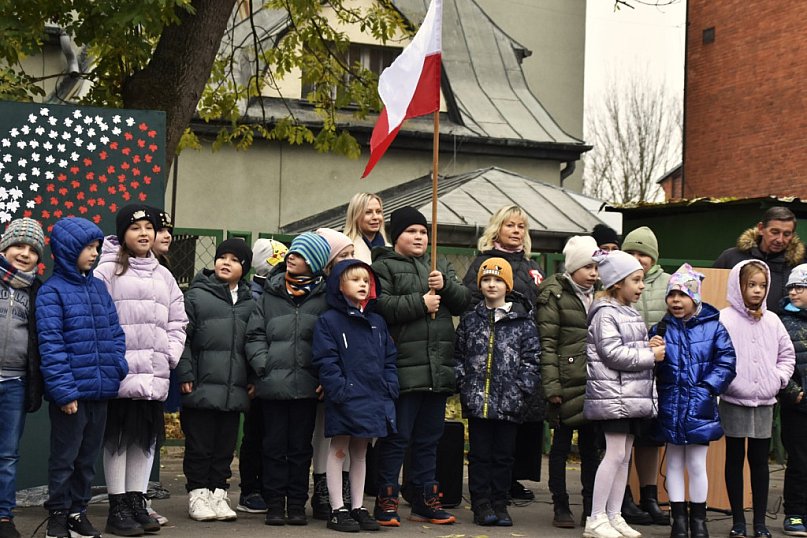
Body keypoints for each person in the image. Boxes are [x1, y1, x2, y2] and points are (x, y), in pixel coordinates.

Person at [371, 206, 470, 526]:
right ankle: (386, 499)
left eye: (423, 232)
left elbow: (463, 301)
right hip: (403, 367)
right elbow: (381, 306)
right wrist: (420, 303)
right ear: (396, 236)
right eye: (411, 231)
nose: (419, 237)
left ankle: (424, 497)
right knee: (397, 437)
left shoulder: (438, 264)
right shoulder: (383, 266)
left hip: (437, 368)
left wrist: (446, 285)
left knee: (429, 439)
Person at [94, 204, 188, 537]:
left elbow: (178, 320)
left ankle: (137, 501)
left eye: (149, 227)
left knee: (144, 440)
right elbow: (96, 317)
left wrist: (169, 355)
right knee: (118, 440)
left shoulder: (164, 275)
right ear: (123, 234)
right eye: (135, 228)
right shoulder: (106, 271)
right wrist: (110, 359)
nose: (144, 233)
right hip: (119, 375)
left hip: (152, 374)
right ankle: (117, 507)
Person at [37, 217, 128, 538]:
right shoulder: (51, 293)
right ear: (67, 250)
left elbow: (115, 333)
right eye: (88, 247)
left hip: (100, 391)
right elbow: (51, 345)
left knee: (87, 459)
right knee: (65, 458)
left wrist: (117, 367)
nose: (94, 253)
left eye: (96, 247)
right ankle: (58, 516)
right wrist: (64, 392)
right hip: (72, 396)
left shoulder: (99, 288)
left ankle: (78, 513)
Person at [245, 232, 331, 527]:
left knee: (300, 449)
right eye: (292, 252)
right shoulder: (271, 293)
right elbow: (255, 334)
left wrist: (322, 375)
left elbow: (330, 340)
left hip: (308, 387)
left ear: (315, 262)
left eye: (300, 254)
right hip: (273, 386)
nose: (291, 257)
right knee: (273, 447)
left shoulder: (324, 298)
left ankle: (296, 505)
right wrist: (264, 366)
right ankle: (274, 505)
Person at [462, 205, 545, 501]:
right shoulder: (483, 263)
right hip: (490, 352)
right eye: (510, 225)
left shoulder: (532, 266)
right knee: (489, 433)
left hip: (522, 349)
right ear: (497, 228)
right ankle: (487, 491)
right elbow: (469, 302)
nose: (516, 231)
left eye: (521, 226)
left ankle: (511, 480)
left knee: (521, 422)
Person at [650, 264, 736, 538]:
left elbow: (726, 362)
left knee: (697, 463)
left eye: (682, 295)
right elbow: (651, 367)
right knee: (674, 462)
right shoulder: (660, 328)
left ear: (695, 298)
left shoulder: (714, 328)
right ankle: (678, 520)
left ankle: (699, 520)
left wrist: (707, 388)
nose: (676, 301)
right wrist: (651, 353)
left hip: (700, 405)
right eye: (671, 295)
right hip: (671, 404)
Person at [583, 250, 664, 538]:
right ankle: (596, 518)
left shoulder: (628, 311)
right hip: (612, 396)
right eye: (636, 280)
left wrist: (647, 345)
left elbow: (627, 346)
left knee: (624, 457)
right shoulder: (605, 313)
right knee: (615, 454)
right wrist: (650, 355)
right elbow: (612, 354)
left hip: (628, 396)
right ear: (618, 283)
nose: (642, 286)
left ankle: (614, 515)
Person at [312, 259, 398, 532]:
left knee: (360, 452)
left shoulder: (377, 322)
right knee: (339, 449)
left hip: (373, 396)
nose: (363, 284)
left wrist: (389, 385)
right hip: (345, 397)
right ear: (339, 285)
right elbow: (326, 360)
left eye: (366, 281)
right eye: (355, 279)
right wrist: (339, 389)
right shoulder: (329, 321)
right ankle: (337, 509)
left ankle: (358, 507)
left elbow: (389, 358)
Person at [455, 257, 541, 527]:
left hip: (509, 403)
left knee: (504, 456)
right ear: (480, 284)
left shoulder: (523, 322)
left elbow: (532, 360)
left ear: (508, 286)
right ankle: (481, 504)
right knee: (479, 455)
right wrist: (464, 385)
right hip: (477, 401)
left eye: (498, 280)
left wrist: (521, 390)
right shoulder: (470, 320)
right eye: (486, 280)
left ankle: (500, 504)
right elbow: (458, 356)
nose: (492, 284)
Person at [177, 239, 255, 522]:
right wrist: (185, 372)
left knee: (224, 446)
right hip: (201, 385)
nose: (226, 263)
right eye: (222, 257)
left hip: (234, 390)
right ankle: (198, 493)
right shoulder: (196, 296)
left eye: (234, 260)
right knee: (199, 444)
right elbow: (182, 338)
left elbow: (255, 342)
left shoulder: (249, 303)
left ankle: (218, 492)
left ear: (244, 268)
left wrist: (253, 377)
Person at [719, 260, 795, 538]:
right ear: (738, 286)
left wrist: (778, 379)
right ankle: (738, 521)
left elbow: (787, 355)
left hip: (764, 402)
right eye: (751, 284)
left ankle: (760, 523)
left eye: (762, 285)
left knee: (760, 462)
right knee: (734, 458)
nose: (757, 290)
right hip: (733, 399)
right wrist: (728, 381)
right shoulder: (724, 319)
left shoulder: (773, 321)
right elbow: (716, 355)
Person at [536, 235, 600, 528]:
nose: (593, 273)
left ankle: (590, 506)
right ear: (573, 267)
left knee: (590, 449)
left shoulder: (600, 296)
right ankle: (560, 504)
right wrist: (552, 386)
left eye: (596, 267)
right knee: (560, 448)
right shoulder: (555, 295)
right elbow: (547, 343)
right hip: (564, 382)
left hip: (593, 384)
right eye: (587, 267)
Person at [620, 226, 671, 526]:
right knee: (625, 437)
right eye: (631, 252)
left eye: (644, 254)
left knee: (651, 438)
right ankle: (623, 496)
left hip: (657, 371)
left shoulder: (669, 283)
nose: (638, 259)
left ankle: (649, 496)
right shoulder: (616, 282)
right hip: (625, 371)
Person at [235, 238, 288, 515]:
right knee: (255, 435)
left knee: (275, 437)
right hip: (257, 378)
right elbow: (249, 339)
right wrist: (253, 377)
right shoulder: (252, 296)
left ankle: (270, 487)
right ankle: (250, 488)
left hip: (279, 376)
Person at [0, 219, 44, 538]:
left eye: (32, 249)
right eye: (18, 245)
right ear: (4, 248)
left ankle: (3, 516)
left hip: (15, 382)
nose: (25, 253)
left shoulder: (37, 291)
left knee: (7, 454)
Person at [309, 228, 356, 520]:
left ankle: (346, 488)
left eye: (352, 254)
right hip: (327, 374)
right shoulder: (320, 294)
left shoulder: (356, 289)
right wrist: (323, 376)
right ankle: (322, 488)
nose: (349, 260)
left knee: (350, 433)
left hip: (352, 375)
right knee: (323, 434)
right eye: (342, 255)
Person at [714, 206, 806, 313]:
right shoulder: (731, 257)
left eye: (786, 234)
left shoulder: (800, 267)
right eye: (775, 232)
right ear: (761, 228)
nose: (780, 240)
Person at [778, 263, 807, 537]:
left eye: (800, 287)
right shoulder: (783, 322)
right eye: (791, 288)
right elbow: (775, 361)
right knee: (798, 461)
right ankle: (795, 513)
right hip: (797, 405)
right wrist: (791, 391)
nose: (793, 292)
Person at [343, 193, 387, 264]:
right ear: (355, 216)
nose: (375, 217)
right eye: (368, 212)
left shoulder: (391, 249)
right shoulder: (346, 252)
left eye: (378, 212)